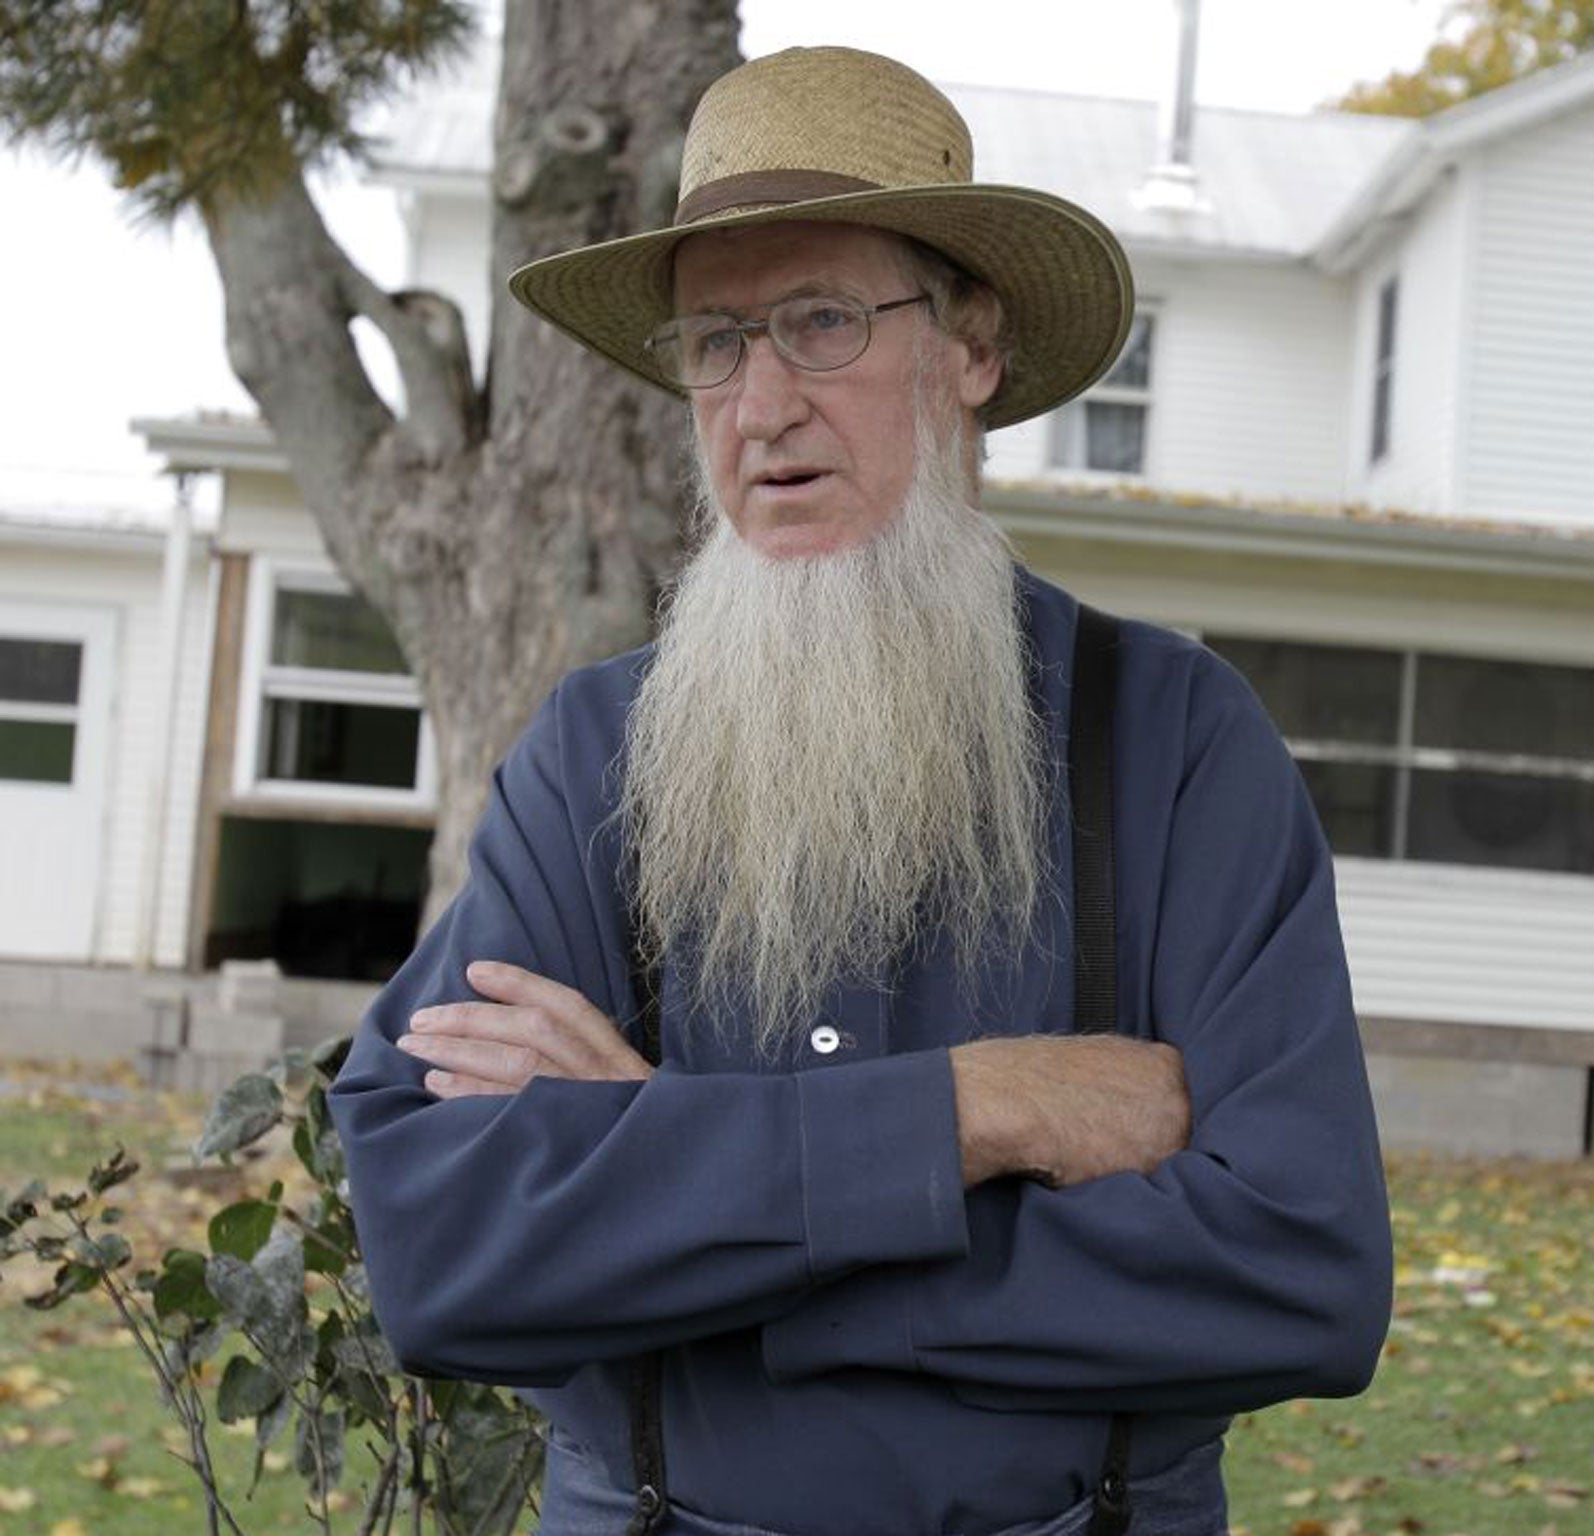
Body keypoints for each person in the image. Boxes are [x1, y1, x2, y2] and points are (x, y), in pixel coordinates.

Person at [330, 45, 1393, 1536]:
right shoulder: (594, 757)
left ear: (971, 348)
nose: (758, 406)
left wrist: (687, 1192)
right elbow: (441, 1253)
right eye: (714, 342)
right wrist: (985, 1109)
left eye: (820, 323)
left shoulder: (1177, 746)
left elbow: (1300, 1276)